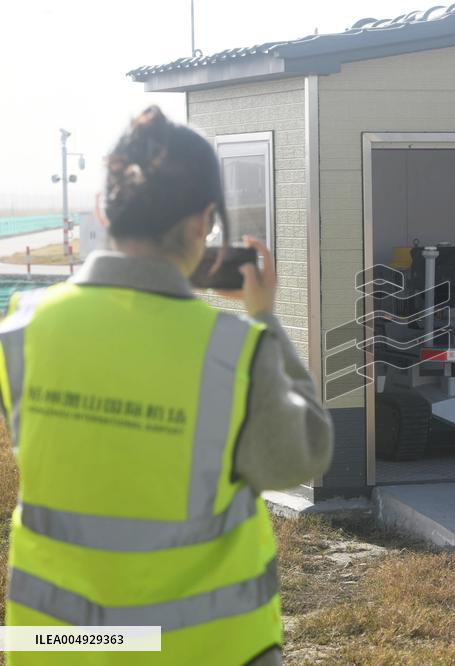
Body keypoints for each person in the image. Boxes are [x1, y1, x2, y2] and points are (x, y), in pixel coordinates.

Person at [0, 106, 332, 665]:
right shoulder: (233, 352)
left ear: (104, 209)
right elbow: (306, 454)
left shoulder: (22, 329)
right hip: (203, 650)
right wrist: (264, 320)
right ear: (205, 223)